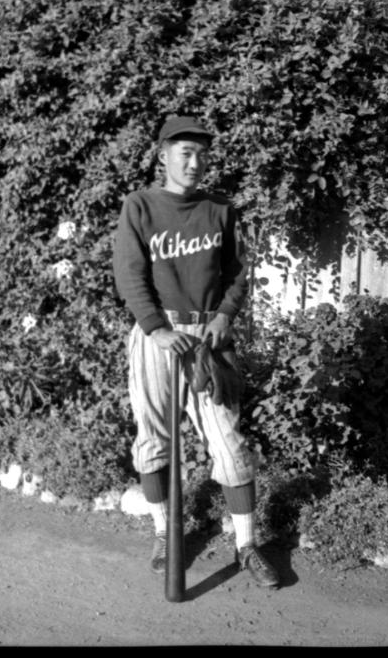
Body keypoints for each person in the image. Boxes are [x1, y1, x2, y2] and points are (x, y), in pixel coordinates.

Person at [113, 113, 279, 589]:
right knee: (152, 440)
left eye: (202, 154)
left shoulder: (219, 210)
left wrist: (225, 315)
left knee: (230, 443)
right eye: (185, 153)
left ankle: (247, 545)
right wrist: (156, 329)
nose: (195, 162)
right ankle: (166, 534)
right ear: (163, 155)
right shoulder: (139, 206)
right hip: (158, 336)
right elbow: (129, 274)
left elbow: (238, 272)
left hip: (207, 338)